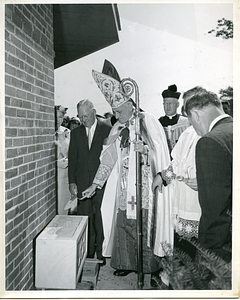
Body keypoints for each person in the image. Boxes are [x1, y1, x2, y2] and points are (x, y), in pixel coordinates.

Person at [82, 65, 173, 284]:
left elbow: (161, 153)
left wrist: (147, 151)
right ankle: (126, 264)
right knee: (124, 225)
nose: (116, 115)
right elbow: (109, 159)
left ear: (131, 105)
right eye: (114, 112)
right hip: (125, 189)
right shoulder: (117, 128)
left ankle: (148, 266)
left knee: (146, 226)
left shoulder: (148, 121)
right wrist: (95, 184)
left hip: (146, 189)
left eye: (119, 111)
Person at [184, 86, 232, 263]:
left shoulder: (210, 142)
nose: (196, 130)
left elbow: (214, 212)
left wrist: (208, 254)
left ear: (195, 115)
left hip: (223, 248)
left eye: (192, 124)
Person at [68, 99, 111, 262]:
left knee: (100, 219)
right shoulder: (76, 133)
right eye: (80, 117)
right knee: (85, 219)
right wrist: (72, 182)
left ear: (93, 112)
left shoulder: (107, 130)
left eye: (86, 116)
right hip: (82, 184)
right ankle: (89, 253)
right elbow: (72, 159)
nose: (83, 120)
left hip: (101, 184)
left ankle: (101, 253)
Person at [159, 84, 189, 154]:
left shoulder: (185, 122)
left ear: (177, 105)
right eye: (165, 103)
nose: (168, 106)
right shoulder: (159, 123)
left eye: (170, 103)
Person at [55, 105, 71, 215]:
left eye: (60, 117)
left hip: (65, 176)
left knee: (63, 208)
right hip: (52, 175)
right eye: (55, 117)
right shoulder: (45, 133)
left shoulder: (67, 133)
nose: (58, 120)